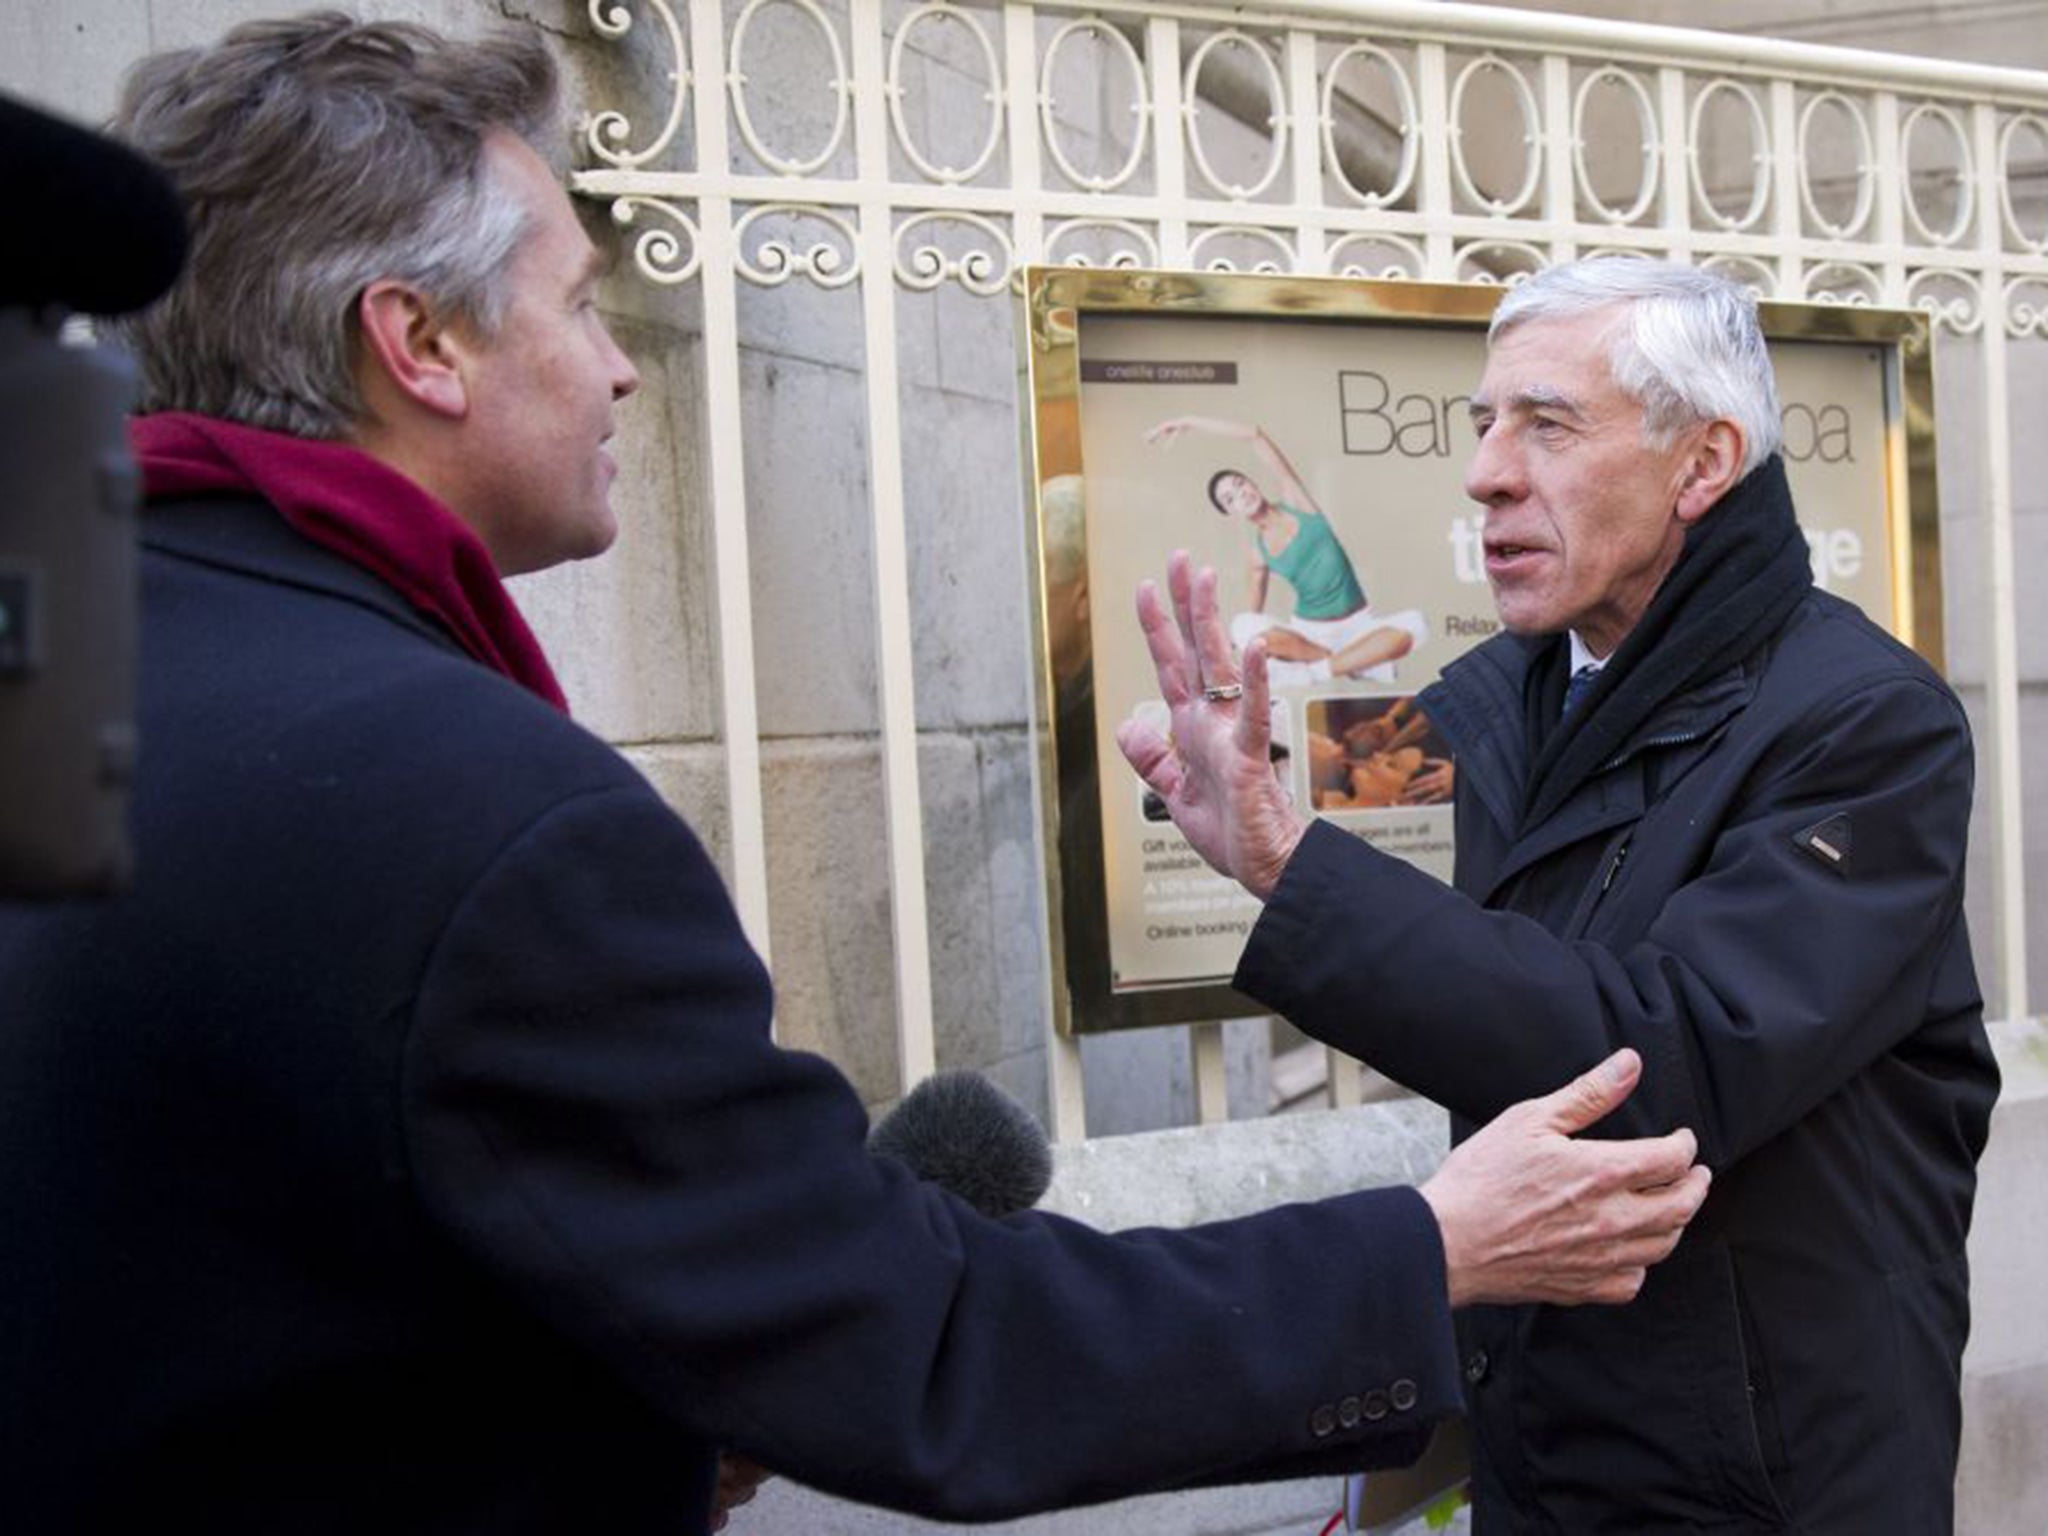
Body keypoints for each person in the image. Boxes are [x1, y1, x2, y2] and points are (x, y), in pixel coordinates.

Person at [0, 19, 1713, 1535]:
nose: (613, 364)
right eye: (580, 306)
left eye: (1542, 426)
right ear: (417, 342)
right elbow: (925, 1338)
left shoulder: (91, 682)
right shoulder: (485, 816)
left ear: (1700, 460)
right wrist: (1425, 1249)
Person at [1119, 257, 1999, 1534]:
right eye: (1482, 424)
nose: (1484, 471)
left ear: (1699, 466)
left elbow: (1659, 1055)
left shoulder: (1867, 724)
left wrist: (1289, 867)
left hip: (1764, 1489)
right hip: (1544, 1453)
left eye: (1544, 423)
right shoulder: (1520, 706)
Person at [1147, 414, 1427, 685]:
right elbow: (1253, 616)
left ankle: (1320, 671)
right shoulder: (1258, 554)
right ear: (1230, 513)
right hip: (1310, 635)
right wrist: (1230, 648)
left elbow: (1255, 434)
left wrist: (1189, 422)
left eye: (1239, 484)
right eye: (1230, 499)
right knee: (1243, 627)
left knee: (1417, 625)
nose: (1241, 494)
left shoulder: (1296, 501)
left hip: (1360, 623)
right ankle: (1358, 664)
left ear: (1252, 482)